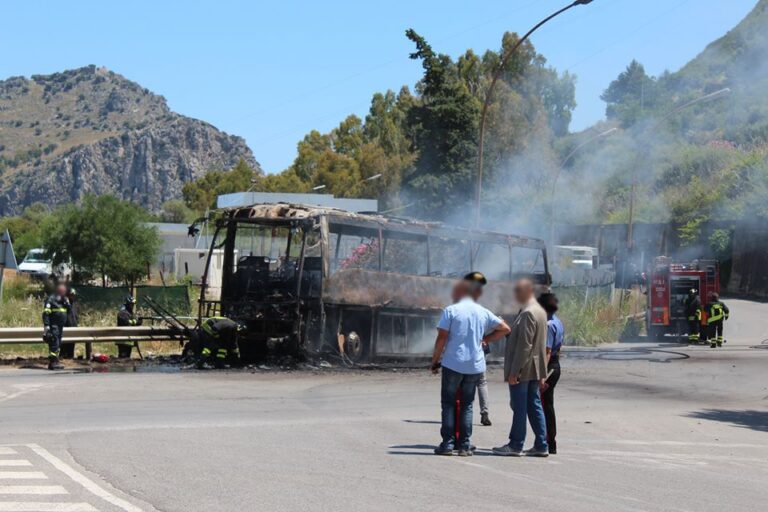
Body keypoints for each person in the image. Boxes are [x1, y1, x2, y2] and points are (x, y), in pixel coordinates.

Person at [430, 275, 511, 456]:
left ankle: (448, 444)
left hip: (453, 363)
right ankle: (465, 446)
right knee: (467, 405)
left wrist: (435, 361)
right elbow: (505, 328)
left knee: (449, 404)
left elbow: (441, 338)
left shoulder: (451, 311)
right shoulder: (482, 311)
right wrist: (487, 339)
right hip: (475, 365)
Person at [493, 277, 549, 457]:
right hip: (534, 367)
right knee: (534, 405)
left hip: (523, 369)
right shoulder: (540, 311)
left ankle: (516, 444)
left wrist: (515, 371)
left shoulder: (527, 313)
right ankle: (541, 444)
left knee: (520, 407)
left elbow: (525, 345)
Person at [464, 272, 494, 427]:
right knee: (481, 382)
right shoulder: (482, 309)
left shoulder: (460, 309)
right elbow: (501, 326)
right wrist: (486, 339)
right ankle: (485, 413)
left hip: (465, 351)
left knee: (465, 382)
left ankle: (463, 413)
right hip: (480, 349)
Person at [538, 292, 564, 455]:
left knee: (544, 406)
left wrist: (542, 376)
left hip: (549, 367)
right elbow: (559, 348)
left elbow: (547, 351)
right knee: (548, 404)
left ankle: (548, 441)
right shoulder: (558, 321)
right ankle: (550, 441)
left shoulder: (548, 325)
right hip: (555, 365)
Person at [42, 283, 71, 371]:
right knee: (54, 343)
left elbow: (69, 310)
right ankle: (53, 362)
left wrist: (67, 303)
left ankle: (56, 361)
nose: (64, 292)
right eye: (62, 291)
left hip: (60, 326)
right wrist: (47, 326)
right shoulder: (51, 299)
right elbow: (46, 313)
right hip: (53, 325)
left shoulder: (64, 299)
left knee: (58, 344)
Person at [59, 287, 79, 359]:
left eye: (73, 295)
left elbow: (76, 315)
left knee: (72, 344)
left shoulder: (76, 304)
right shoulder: (63, 304)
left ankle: (70, 356)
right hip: (65, 326)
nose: (72, 296)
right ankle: (62, 356)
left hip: (74, 326)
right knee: (64, 344)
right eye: (71, 295)